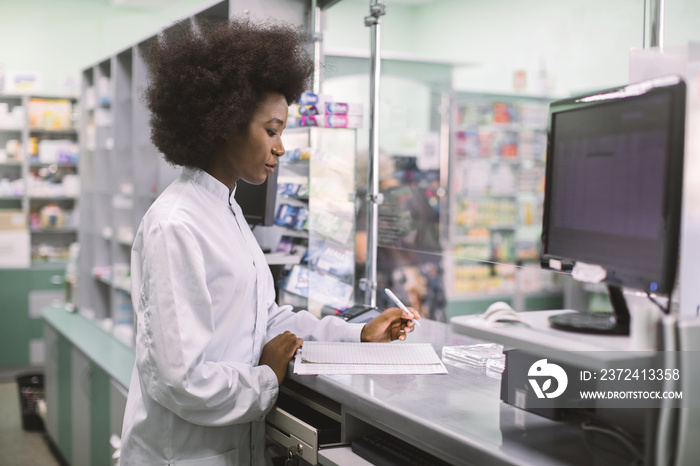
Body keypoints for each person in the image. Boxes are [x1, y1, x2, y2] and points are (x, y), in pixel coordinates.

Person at [119, 17, 419, 466]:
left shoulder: (227, 210)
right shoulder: (177, 223)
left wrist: (359, 333)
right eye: (271, 130)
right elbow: (180, 379)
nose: (281, 147)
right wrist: (265, 378)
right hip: (180, 454)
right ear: (225, 124)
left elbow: (264, 317)